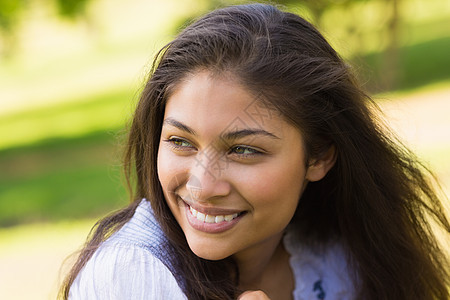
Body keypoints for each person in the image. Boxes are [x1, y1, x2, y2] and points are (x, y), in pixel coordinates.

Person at [60, 3, 450, 299]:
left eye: (243, 150)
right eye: (181, 142)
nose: (202, 185)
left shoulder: (343, 252)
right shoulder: (131, 275)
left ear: (319, 157)